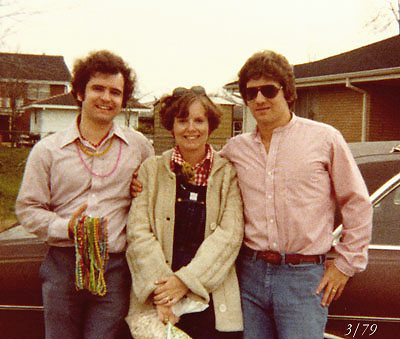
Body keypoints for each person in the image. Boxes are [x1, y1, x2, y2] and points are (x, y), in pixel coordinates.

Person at [218, 50, 373, 338]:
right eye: (251, 94)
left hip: (303, 279)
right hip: (248, 275)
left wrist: (345, 264)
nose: (260, 99)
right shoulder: (235, 150)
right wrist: (143, 179)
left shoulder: (324, 138)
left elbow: (357, 203)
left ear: (287, 93)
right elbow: (199, 173)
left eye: (269, 90)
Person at [16, 50, 154, 339]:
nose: (106, 98)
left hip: (114, 268)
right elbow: (28, 209)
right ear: (79, 92)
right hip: (63, 265)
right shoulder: (48, 150)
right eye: (98, 89)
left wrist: (142, 189)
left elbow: (153, 196)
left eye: (115, 92)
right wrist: (63, 227)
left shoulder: (138, 146)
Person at [125, 86, 244, 339]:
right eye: (183, 121)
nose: (191, 128)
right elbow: (138, 233)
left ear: (210, 125)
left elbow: (229, 235)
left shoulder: (227, 174)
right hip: (160, 303)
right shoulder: (151, 170)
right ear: (171, 126)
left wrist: (185, 282)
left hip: (210, 297)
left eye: (199, 120)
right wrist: (164, 292)